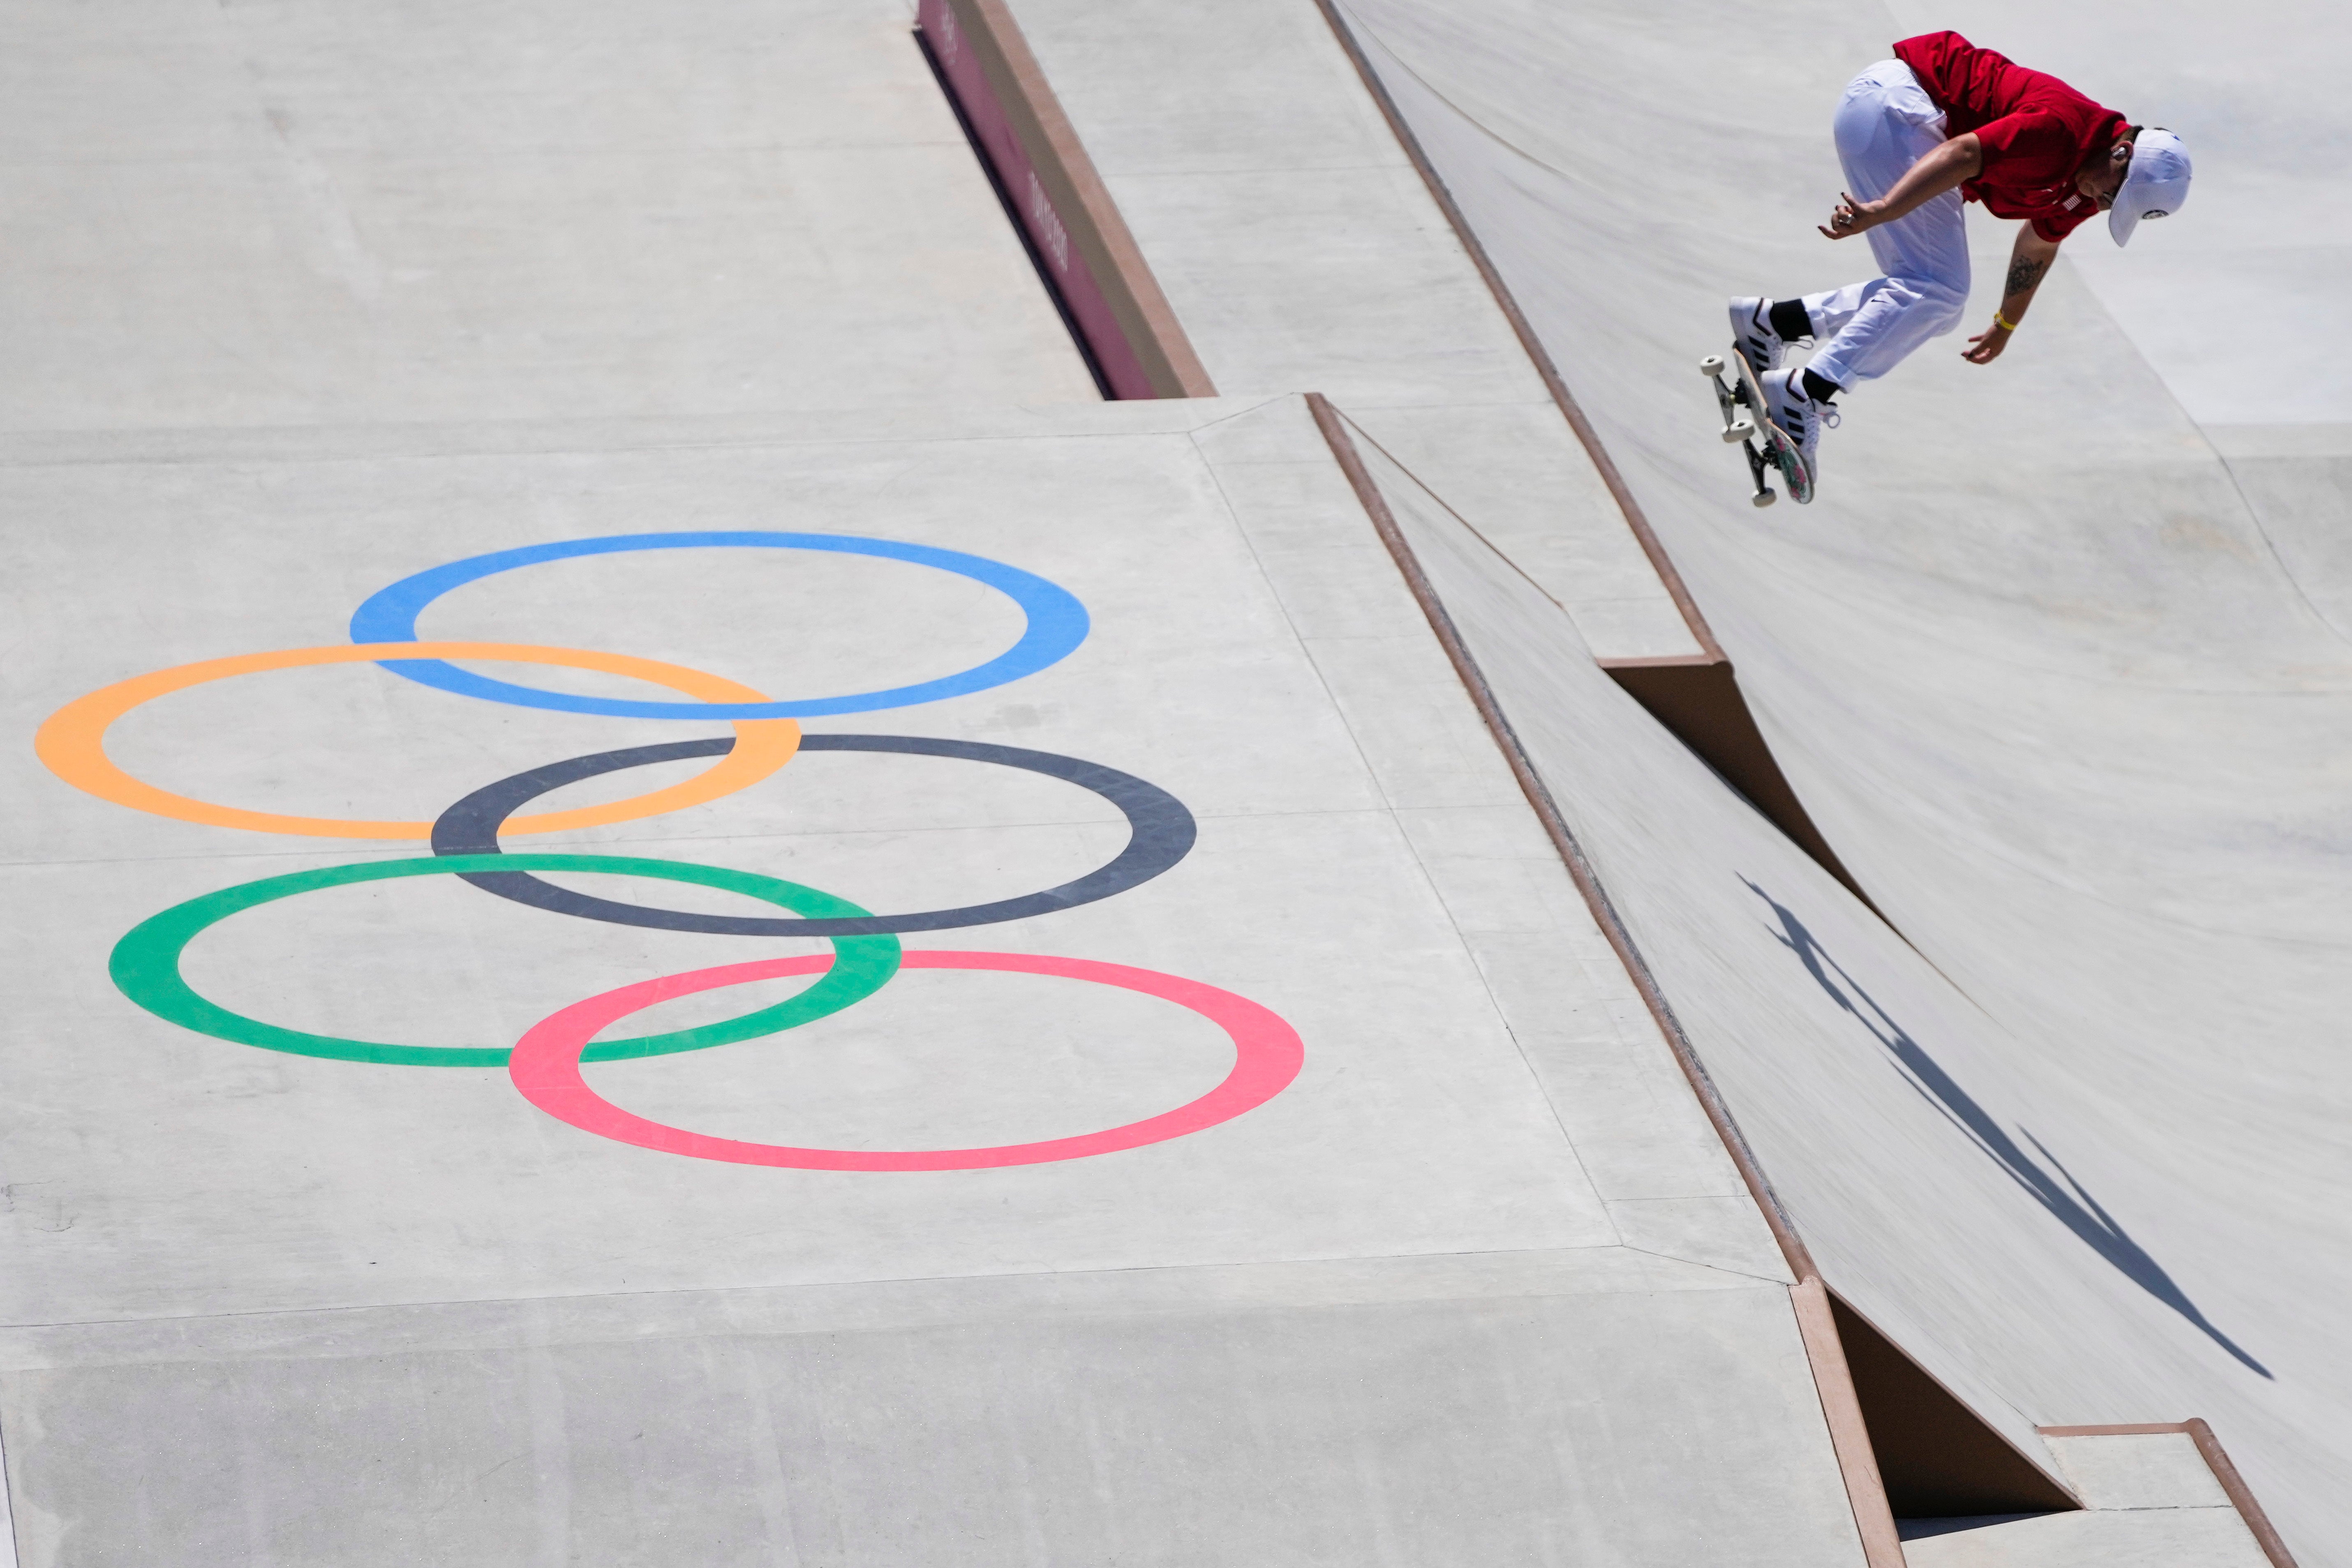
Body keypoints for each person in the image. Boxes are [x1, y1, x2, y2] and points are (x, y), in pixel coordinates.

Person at [1729, 31, 2190, 496]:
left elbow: (2038, 243)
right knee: (1937, 288)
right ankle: (1806, 390)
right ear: (2121, 152)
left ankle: (1774, 323)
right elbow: (1963, 153)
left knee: (1937, 303)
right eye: (2115, 192)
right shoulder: (2061, 132)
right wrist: (1885, 209)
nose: (2104, 203)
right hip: (1896, 107)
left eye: (2117, 205)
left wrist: (2006, 322)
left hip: (1896, 122)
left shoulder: (2086, 185)